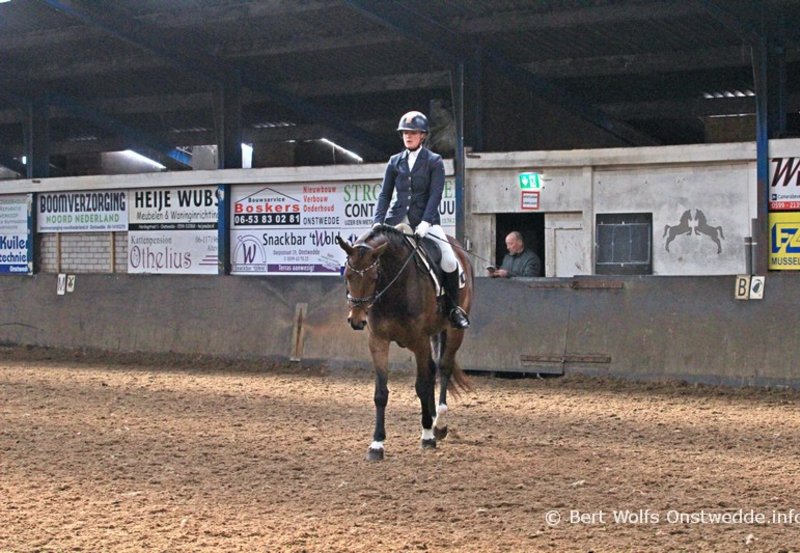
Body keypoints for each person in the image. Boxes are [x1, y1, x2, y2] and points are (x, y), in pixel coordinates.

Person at [373, 110, 469, 329]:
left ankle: (453, 308)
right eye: (405, 133)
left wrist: (426, 221)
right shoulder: (394, 161)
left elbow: (436, 194)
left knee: (449, 260)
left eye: (413, 133)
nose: (408, 136)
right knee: (368, 253)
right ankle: (367, 304)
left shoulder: (434, 161)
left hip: (426, 222)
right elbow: (385, 194)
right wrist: (378, 220)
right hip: (396, 220)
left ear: (423, 136)